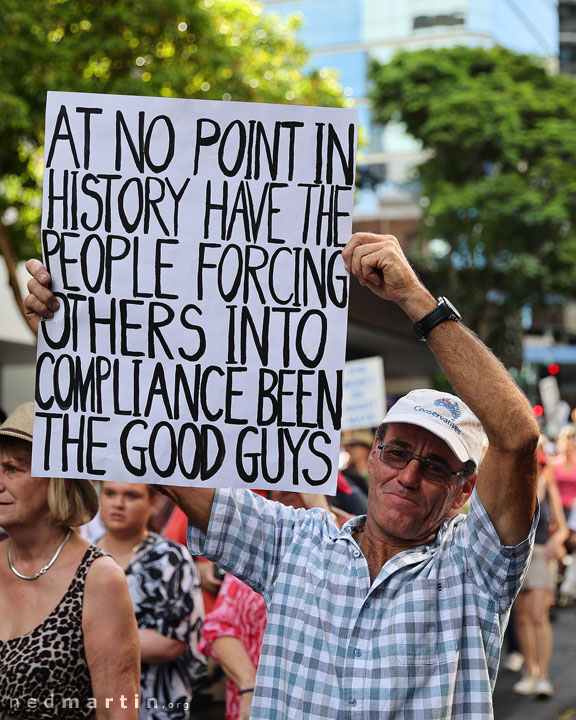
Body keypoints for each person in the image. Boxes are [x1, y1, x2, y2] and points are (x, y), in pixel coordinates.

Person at [24, 232, 540, 719]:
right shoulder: (295, 541)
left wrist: (414, 299)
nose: (407, 475)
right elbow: (158, 452)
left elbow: (517, 439)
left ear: (463, 490)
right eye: (398, 452)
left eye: (433, 466)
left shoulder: (473, 568)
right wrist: (73, 336)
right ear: (374, 453)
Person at [0, 402, 140, 720]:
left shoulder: (98, 578)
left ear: (57, 480)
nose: (0, 481)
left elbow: (118, 712)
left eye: (13, 469)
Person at [198, 491, 351, 720]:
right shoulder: (260, 538)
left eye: (299, 479)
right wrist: (249, 687)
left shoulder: (358, 535)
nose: (284, 489)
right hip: (252, 706)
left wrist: (320, 511)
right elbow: (220, 626)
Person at [96, 482, 206, 720]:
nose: (118, 503)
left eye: (131, 495)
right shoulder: (83, 556)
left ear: (153, 502)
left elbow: (169, 643)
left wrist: (89, 638)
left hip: (157, 705)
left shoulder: (169, 558)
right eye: (110, 493)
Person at [511, 447, 568, 698]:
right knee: (521, 618)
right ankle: (530, 671)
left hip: (541, 553)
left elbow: (563, 527)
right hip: (516, 555)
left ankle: (543, 675)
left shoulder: (548, 484)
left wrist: (557, 542)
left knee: (538, 615)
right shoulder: (514, 484)